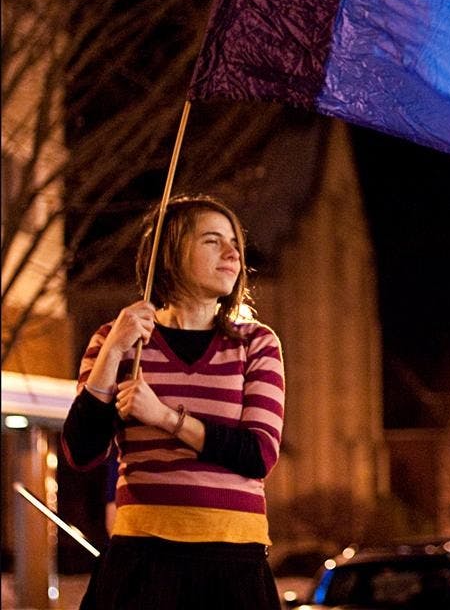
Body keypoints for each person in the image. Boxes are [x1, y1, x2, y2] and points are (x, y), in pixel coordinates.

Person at [61, 194, 285, 610]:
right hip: (141, 562)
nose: (233, 253)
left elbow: (258, 454)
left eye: (234, 241)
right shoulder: (117, 339)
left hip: (232, 564)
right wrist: (112, 352)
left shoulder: (256, 343)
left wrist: (163, 417)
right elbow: (81, 451)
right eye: (212, 241)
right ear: (169, 253)